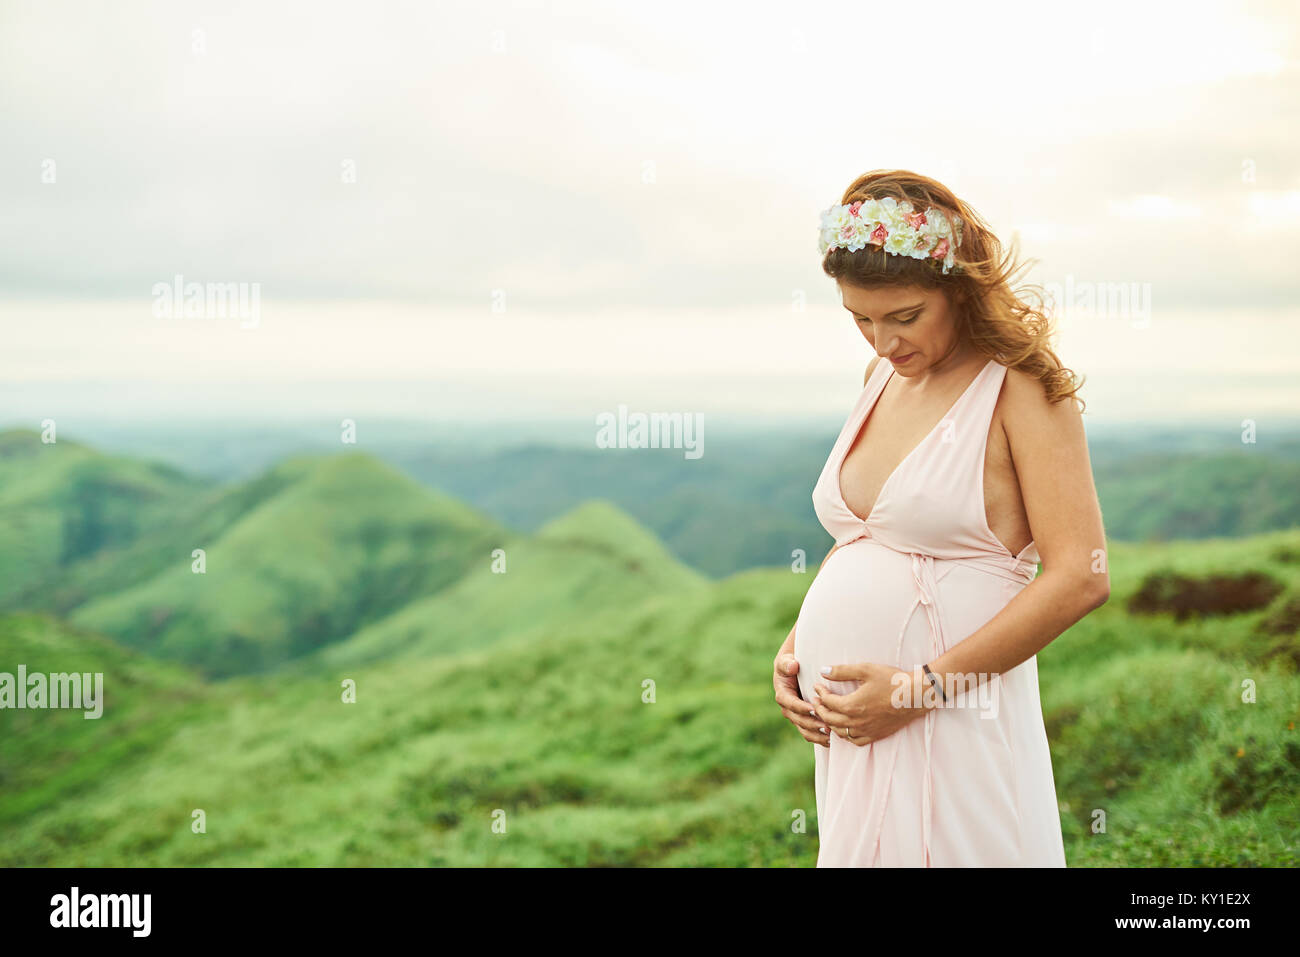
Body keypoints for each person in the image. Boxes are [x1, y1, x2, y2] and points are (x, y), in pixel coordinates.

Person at [772, 169, 1109, 867]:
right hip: (864, 725)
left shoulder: (1020, 385)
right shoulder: (882, 381)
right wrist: (798, 645)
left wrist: (920, 689)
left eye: (904, 316)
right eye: (860, 318)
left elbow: (1080, 576)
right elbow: (867, 538)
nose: (881, 342)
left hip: (954, 711)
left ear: (958, 289)